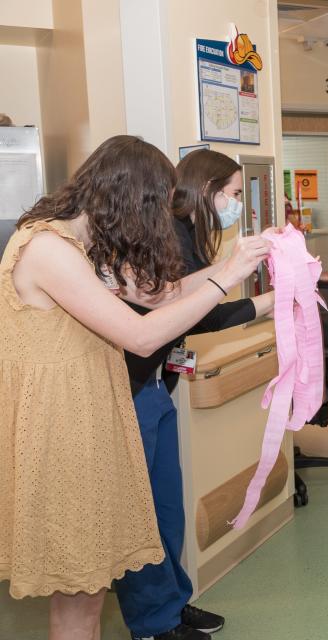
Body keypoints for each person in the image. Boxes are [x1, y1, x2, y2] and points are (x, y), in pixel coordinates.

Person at [0, 135, 267, 640]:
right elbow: (142, 336)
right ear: (129, 199)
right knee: (79, 600)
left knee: (91, 590)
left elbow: (159, 295)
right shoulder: (49, 250)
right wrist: (227, 274)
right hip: (63, 430)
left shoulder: (78, 247)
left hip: (91, 418)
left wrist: (235, 266)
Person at [116, 149, 276, 640]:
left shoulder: (187, 239)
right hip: (132, 387)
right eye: (230, 193)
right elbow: (202, 313)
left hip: (156, 386)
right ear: (207, 190)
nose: (234, 204)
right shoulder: (169, 238)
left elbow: (193, 304)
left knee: (168, 509)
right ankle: (153, 623)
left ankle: (172, 604)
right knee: (143, 516)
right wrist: (266, 299)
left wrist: (265, 297)